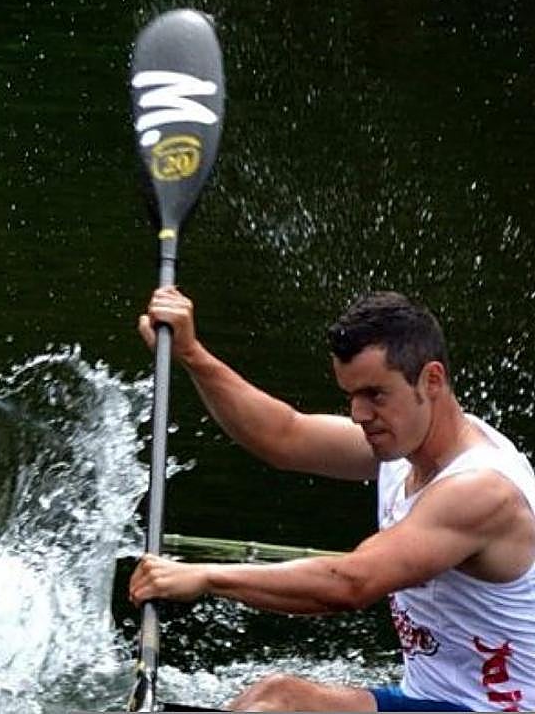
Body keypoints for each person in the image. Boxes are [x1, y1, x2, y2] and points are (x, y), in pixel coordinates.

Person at [127, 287, 535, 712]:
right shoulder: (405, 443)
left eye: (375, 394)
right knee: (270, 695)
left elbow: (351, 584)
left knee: (279, 703)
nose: (359, 414)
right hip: (430, 699)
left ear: (431, 380)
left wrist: (207, 577)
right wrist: (193, 354)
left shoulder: (481, 490)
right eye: (351, 396)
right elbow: (283, 435)